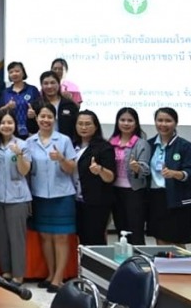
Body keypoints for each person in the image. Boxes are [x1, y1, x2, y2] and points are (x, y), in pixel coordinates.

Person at [25, 103, 77, 293]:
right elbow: (28, 170)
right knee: (45, 236)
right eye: (42, 117)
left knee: (61, 237)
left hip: (62, 194)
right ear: (37, 118)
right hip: (39, 194)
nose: (45, 120)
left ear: (54, 119)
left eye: (49, 117)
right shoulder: (29, 142)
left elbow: (72, 168)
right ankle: (50, 273)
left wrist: (61, 159)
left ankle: (58, 277)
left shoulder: (64, 140)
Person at [0, 110, 31, 286]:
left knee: (17, 238)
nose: (6, 126)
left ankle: (18, 275)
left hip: (18, 198)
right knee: (2, 237)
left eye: (10, 123)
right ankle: (6, 271)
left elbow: (24, 171)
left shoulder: (23, 144)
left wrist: (19, 155)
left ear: (15, 125)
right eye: (3, 123)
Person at [146, 107, 191, 247]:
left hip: (176, 198)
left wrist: (176, 174)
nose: (163, 124)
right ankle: (164, 267)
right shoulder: (149, 144)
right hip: (155, 198)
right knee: (160, 236)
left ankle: (182, 268)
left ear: (175, 123)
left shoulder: (185, 146)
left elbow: (189, 171)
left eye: (168, 121)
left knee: (176, 239)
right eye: (160, 120)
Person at [73, 110, 116, 246]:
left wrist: (100, 170)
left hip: (96, 203)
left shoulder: (104, 147)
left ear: (96, 126)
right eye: (80, 124)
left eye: (87, 124)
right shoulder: (72, 145)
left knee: (94, 239)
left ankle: (98, 268)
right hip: (75, 200)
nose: (83, 127)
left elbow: (110, 177)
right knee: (80, 239)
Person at [109, 107, 151, 245]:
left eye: (130, 120)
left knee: (135, 230)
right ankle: (124, 262)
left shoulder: (141, 143)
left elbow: (145, 169)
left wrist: (137, 167)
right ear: (117, 122)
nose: (126, 123)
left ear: (136, 123)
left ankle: (139, 262)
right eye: (122, 120)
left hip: (134, 192)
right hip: (115, 191)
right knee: (121, 230)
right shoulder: (111, 142)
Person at [26, 71, 79, 141]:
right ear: (41, 85)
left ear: (59, 84)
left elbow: (76, 128)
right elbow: (32, 130)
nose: (49, 86)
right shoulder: (36, 105)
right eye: (46, 83)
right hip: (42, 144)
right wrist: (31, 118)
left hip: (65, 144)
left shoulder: (69, 105)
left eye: (52, 83)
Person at [0, 61, 40, 140]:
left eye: (17, 71)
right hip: (11, 132)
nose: (14, 74)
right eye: (11, 72)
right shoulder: (5, 92)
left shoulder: (32, 89)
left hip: (31, 131)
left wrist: (34, 113)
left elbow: (40, 109)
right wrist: (7, 107)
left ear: (23, 73)